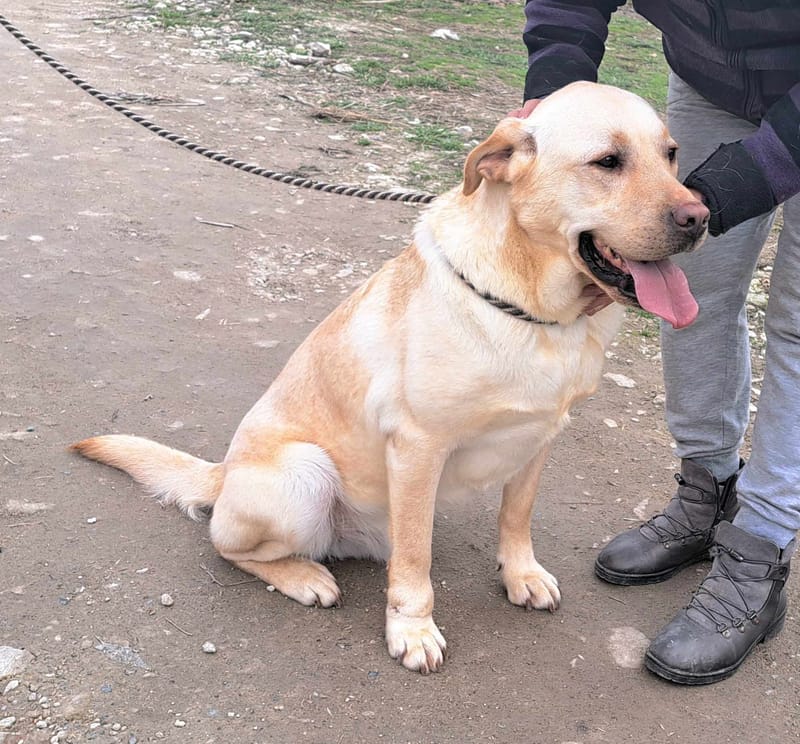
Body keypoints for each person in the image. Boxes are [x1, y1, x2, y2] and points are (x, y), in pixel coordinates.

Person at [518, 0, 800, 685]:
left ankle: (759, 548)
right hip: (715, 84)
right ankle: (709, 490)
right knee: (687, 289)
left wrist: (716, 190)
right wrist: (553, 108)